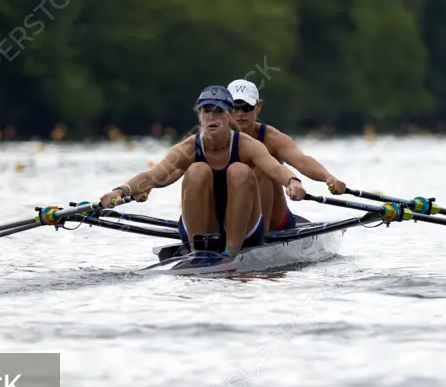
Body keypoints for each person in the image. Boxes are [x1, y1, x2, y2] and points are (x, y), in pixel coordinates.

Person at [99, 85, 307, 261]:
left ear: (229, 117)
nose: (212, 117)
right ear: (199, 117)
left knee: (239, 170)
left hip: (246, 230)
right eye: (206, 111)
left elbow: (274, 168)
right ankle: (198, 252)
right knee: (197, 169)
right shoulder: (188, 148)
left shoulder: (247, 145)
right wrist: (120, 191)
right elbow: (152, 177)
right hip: (203, 228)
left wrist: (293, 181)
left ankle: (231, 252)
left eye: (218, 111)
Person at [226, 79, 347, 231]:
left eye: (246, 107)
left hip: (274, 221)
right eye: (234, 108)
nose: (240, 114)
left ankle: (260, 234)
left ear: (258, 107)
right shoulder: (212, 140)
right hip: (231, 216)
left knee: (262, 169)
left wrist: (329, 178)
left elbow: (302, 161)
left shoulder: (272, 138)